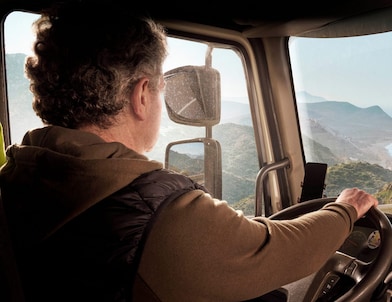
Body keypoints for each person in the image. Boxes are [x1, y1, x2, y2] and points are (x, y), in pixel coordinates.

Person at [0, 1, 379, 301]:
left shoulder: (15, 178)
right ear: (142, 95)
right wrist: (347, 208)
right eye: (162, 87)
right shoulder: (159, 213)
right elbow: (278, 250)